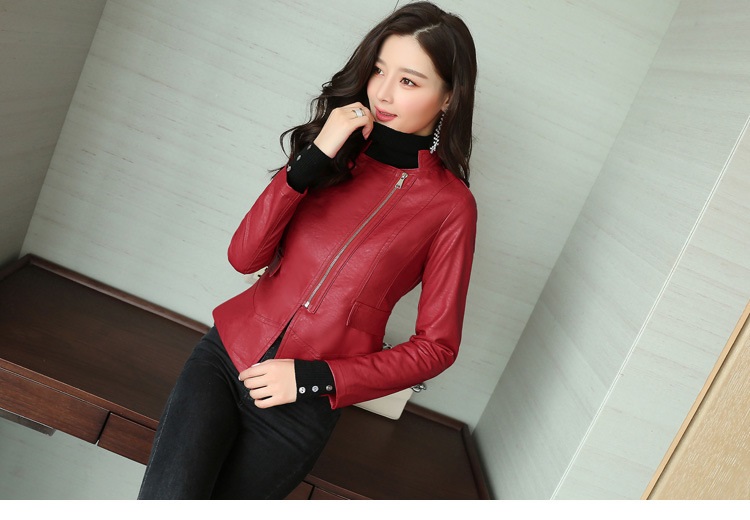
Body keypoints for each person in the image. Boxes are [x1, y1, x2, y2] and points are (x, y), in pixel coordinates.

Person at [138, 1, 478, 500]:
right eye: (379, 70)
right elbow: (244, 257)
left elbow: (437, 347)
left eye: (409, 81)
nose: (383, 92)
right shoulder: (333, 152)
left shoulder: (451, 207)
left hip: (300, 406)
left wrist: (313, 378)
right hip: (225, 359)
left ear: (448, 96)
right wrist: (313, 157)